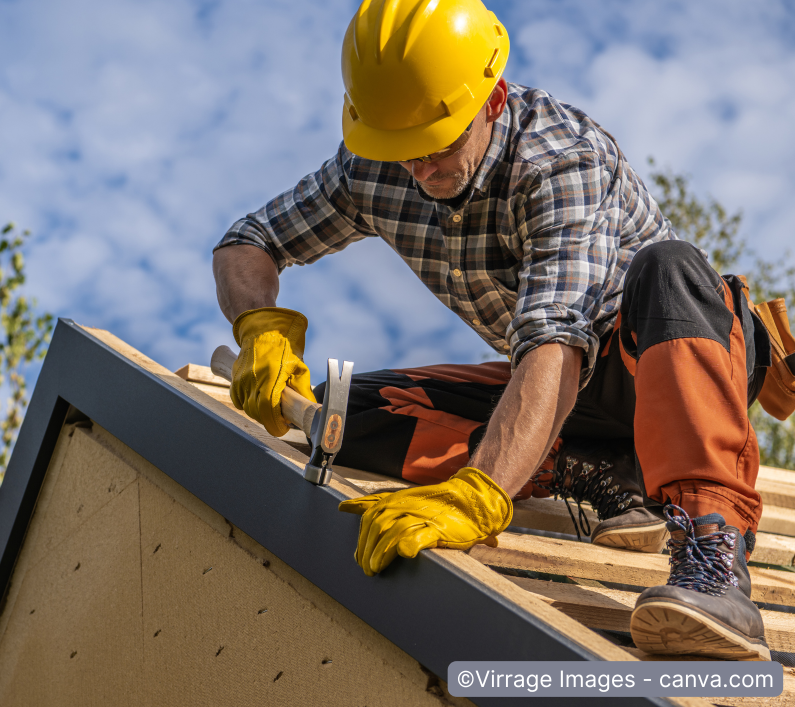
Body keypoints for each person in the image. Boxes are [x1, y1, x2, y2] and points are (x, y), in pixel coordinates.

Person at [212, 0, 772, 660]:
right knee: (354, 413)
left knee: (671, 268)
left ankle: (713, 554)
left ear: (494, 99)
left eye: (437, 143)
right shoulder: (376, 165)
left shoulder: (561, 163)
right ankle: (596, 467)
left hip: (662, 359)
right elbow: (249, 241)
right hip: (565, 392)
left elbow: (555, 340)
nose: (419, 168)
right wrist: (260, 328)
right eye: (401, 148)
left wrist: (482, 492)